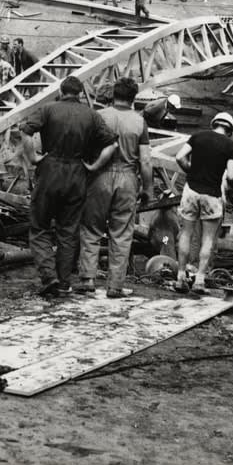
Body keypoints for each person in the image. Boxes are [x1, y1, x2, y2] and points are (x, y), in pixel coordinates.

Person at [21, 75, 117, 296]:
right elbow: (111, 144)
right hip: (77, 174)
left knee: (39, 227)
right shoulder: (91, 115)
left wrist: (33, 158)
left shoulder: (48, 109)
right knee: (68, 231)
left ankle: (49, 276)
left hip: (50, 171)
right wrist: (94, 166)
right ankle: (64, 282)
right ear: (81, 93)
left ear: (61, 91)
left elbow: (25, 132)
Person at [78, 76, 154, 298]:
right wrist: (148, 190)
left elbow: (85, 147)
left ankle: (88, 279)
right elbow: (146, 161)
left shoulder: (99, 116)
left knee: (91, 227)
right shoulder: (140, 122)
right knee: (121, 233)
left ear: (113, 95)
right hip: (128, 178)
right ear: (133, 98)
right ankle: (115, 286)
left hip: (99, 176)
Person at [173, 111, 233, 293]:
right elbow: (232, 175)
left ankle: (180, 277)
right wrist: (232, 188)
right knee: (208, 238)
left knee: (186, 234)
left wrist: (190, 170)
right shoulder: (231, 146)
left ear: (213, 124)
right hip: (212, 194)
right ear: (230, 130)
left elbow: (180, 157)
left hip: (191, 190)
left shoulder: (197, 136)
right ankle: (199, 281)